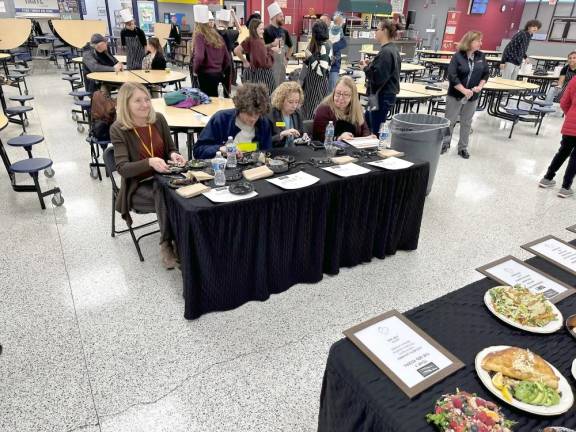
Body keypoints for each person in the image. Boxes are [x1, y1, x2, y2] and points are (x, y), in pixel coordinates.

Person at [110, 82, 186, 269]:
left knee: (181, 192)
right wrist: (149, 162)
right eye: (138, 101)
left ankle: (184, 239)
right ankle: (167, 243)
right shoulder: (118, 128)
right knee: (166, 194)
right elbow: (122, 168)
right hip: (137, 186)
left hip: (165, 177)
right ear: (125, 104)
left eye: (146, 99)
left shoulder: (158, 119)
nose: (145, 104)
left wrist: (173, 155)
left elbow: (170, 148)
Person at [442, 31, 489, 159]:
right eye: (478, 41)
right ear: (469, 42)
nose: (481, 43)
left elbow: (486, 73)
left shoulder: (481, 56)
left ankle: (463, 147)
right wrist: (464, 90)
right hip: (455, 95)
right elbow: (452, 76)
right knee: (449, 121)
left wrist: (480, 86)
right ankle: (445, 144)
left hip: (472, 97)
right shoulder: (458, 56)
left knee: (466, 122)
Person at [194, 83, 272, 159]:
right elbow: (198, 151)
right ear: (240, 108)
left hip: (252, 169)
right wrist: (220, 149)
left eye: (257, 114)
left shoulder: (263, 123)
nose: (253, 119)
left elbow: (266, 151)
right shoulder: (221, 119)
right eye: (249, 114)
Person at [361, 20, 401, 134]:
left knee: (374, 130)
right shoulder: (391, 49)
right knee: (369, 124)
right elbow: (383, 71)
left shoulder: (386, 52)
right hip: (382, 96)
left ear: (384, 31)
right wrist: (371, 65)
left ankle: (372, 150)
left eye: (377, 29)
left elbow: (378, 77)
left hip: (381, 97)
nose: (375, 32)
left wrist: (365, 68)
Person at [539, 77, 576, 198]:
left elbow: (564, 102)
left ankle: (547, 178)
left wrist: (570, 115)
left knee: (563, 151)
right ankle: (565, 187)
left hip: (571, 123)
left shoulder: (575, 79)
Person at [312, 76, 372, 142]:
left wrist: (367, 138)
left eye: (346, 94)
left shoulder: (357, 109)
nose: (341, 98)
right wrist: (339, 138)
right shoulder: (324, 109)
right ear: (334, 92)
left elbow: (365, 129)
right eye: (338, 93)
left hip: (353, 149)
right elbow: (319, 137)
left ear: (352, 96)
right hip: (328, 149)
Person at [192, 5, 231, 97]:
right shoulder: (216, 35)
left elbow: (199, 57)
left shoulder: (199, 35)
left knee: (206, 102)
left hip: (205, 75)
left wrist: (195, 70)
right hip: (217, 74)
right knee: (214, 99)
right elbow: (227, 58)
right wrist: (221, 70)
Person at [234, 19, 278, 95]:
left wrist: (245, 61)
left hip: (252, 72)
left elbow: (236, 50)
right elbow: (264, 62)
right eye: (261, 29)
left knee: (254, 97)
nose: (263, 31)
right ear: (254, 29)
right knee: (265, 96)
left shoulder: (250, 39)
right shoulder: (257, 41)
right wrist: (272, 51)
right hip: (262, 75)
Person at [301, 21, 332, 120]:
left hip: (318, 86)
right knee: (308, 110)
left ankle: (311, 132)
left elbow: (321, 71)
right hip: (311, 85)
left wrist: (310, 57)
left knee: (314, 111)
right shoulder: (317, 44)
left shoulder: (325, 46)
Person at [263, 2, 293, 87]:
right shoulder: (265, 30)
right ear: (274, 17)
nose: (283, 18)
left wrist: (287, 59)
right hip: (270, 65)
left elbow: (291, 46)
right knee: (270, 87)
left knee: (281, 87)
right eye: (281, 16)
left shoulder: (284, 31)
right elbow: (261, 48)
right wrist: (272, 45)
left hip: (281, 64)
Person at [268, 81, 304, 147]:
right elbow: (264, 142)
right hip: (277, 153)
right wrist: (281, 135)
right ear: (281, 100)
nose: (294, 106)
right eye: (290, 102)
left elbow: (301, 134)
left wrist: (304, 137)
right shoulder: (271, 115)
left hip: (294, 152)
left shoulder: (297, 113)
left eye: (296, 102)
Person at [216, 9, 241, 93]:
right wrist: (234, 15)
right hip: (227, 62)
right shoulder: (231, 33)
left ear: (219, 21)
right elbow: (240, 30)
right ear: (228, 22)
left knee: (214, 90)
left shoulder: (213, 32)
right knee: (227, 89)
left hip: (215, 61)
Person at [329, 14, 347, 92]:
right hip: (332, 63)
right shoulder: (339, 29)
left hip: (332, 63)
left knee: (331, 88)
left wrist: (331, 47)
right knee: (332, 88)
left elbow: (343, 43)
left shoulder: (330, 28)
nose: (343, 22)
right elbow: (343, 43)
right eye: (342, 21)